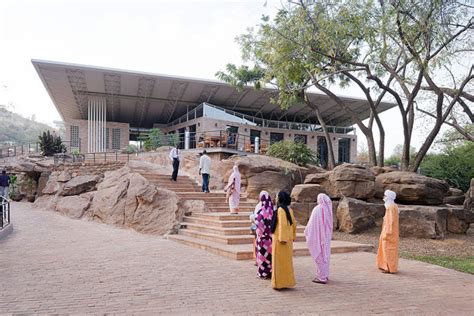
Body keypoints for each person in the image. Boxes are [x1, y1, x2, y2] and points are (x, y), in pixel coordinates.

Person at [304, 193, 333, 284]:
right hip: (326, 238)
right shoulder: (328, 210)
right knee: (325, 255)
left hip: (318, 237)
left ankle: (321, 277)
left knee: (320, 255)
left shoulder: (317, 209)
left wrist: (307, 231)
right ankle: (324, 275)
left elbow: (311, 225)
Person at [271, 191, 296, 290]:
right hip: (288, 240)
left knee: (279, 263)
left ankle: (279, 284)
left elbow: (282, 224)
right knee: (287, 263)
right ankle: (287, 282)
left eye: (277, 197)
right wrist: (292, 236)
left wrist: (282, 238)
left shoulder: (281, 210)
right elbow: (294, 225)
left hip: (280, 240)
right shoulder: (289, 210)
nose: (276, 199)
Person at [376, 189, 399, 274]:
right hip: (392, 232)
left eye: (385, 196)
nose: (384, 197)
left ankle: (388, 267)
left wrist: (387, 233)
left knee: (387, 249)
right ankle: (387, 266)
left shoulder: (390, 207)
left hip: (389, 232)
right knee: (389, 249)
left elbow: (390, 221)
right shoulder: (394, 206)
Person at [255, 191, 274, 279]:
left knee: (262, 256)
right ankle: (270, 272)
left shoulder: (261, 212)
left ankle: (263, 273)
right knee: (270, 256)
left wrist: (260, 235)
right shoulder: (273, 212)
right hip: (270, 239)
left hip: (262, 239)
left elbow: (258, 225)